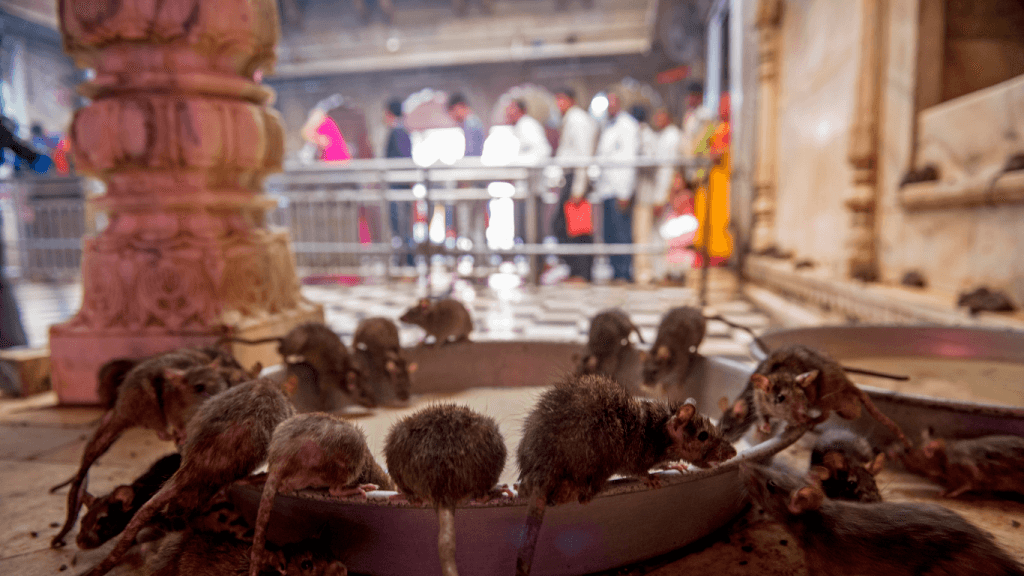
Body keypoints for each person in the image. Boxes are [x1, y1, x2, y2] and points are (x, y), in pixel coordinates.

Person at [550, 88, 598, 282]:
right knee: (566, 227)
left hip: (577, 179)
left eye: (560, 100)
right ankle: (575, 270)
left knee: (576, 228)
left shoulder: (578, 120)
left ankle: (582, 272)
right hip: (570, 178)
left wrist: (579, 187)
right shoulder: (570, 119)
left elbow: (583, 153)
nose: (557, 105)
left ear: (570, 100)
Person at [592, 92, 639, 283]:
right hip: (606, 188)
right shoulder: (608, 125)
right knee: (609, 233)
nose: (610, 106)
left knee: (621, 233)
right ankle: (614, 271)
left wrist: (625, 192)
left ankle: (623, 273)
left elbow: (628, 159)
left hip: (620, 188)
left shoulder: (627, 125)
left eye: (614, 101)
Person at [634, 107, 681, 285]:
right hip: (655, 193)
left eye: (661, 115)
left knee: (658, 234)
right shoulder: (660, 136)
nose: (657, 118)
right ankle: (657, 271)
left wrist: (661, 197)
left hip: (659, 193)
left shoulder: (671, 136)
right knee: (653, 234)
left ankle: (661, 271)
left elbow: (666, 170)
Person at [692, 92, 734, 266]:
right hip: (710, 179)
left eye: (725, 105)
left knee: (719, 218)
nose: (722, 108)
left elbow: (717, 153)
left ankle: (719, 256)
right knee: (705, 217)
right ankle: (704, 253)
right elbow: (699, 149)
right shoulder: (714, 127)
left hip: (723, 179)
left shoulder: (729, 128)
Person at [505, 99, 552, 244]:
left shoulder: (527, 126)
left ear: (521, 110)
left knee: (532, 232)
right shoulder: (520, 128)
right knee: (525, 231)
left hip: (533, 189)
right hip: (526, 189)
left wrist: (516, 167)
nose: (508, 113)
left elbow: (543, 152)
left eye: (511, 109)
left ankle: (537, 265)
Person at [447, 92, 487, 251]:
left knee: (472, 227)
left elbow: (471, 155)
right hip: (476, 180)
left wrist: (463, 180)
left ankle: (479, 265)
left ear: (459, 107)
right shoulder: (473, 124)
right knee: (476, 226)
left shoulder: (471, 124)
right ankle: (481, 265)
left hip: (471, 182)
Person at [384, 98, 414, 267]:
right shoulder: (402, 131)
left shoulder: (398, 132)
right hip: (400, 188)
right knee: (401, 229)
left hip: (399, 188)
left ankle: (407, 264)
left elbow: (401, 161)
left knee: (402, 229)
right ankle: (406, 263)